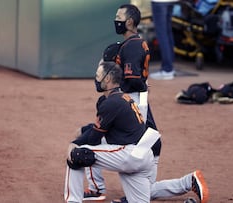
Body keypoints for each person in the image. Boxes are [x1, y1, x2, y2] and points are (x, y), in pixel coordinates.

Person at [82, 4, 162, 201]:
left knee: (143, 142)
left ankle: (103, 189)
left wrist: (118, 91)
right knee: (145, 140)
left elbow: (133, 79)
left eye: (119, 17)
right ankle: (139, 191)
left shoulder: (132, 45)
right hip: (135, 97)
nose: (115, 20)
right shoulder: (133, 43)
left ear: (129, 21)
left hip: (133, 98)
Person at [63, 61, 155, 203]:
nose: (96, 79)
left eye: (98, 76)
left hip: (129, 154)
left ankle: (74, 200)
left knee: (78, 154)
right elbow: (102, 126)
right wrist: (84, 130)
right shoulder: (122, 98)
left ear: (107, 79)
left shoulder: (111, 103)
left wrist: (74, 143)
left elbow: (94, 138)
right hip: (144, 155)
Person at [149, 0, 179, 80]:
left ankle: (167, 69)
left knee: (162, 34)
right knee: (167, 31)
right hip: (170, 1)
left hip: (159, 2)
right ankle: (170, 67)